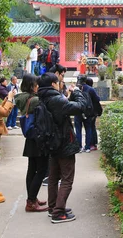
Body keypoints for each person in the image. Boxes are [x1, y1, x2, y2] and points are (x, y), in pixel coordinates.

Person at [37, 72, 88, 223]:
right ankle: (58, 213)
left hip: (52, 142)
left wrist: (69, 96)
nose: (60, 83)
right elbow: (80, 107)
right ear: (53, 84)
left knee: (53, 177)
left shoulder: (42, 98)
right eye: (59, 81)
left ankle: (53, 207)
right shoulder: (56, 99)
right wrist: (78, 93)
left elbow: (64, 108)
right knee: (67, 178)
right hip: (64, 142)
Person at [13, 73, 48, 212]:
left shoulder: (23, 98)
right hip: (38, 138)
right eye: (36, 84)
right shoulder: (35, 100)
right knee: (42, 170)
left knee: (32, 170)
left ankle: (32, 198)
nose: (37, 86)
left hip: (31, 139)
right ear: (32, 85)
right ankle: (31, 201)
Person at [85, 77, 102, 151]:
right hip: (94, 112)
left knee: (91, 128)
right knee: (92, 127)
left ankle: (93, 144)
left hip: (91, 112)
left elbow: (97, 100)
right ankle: (94, 144)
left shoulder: (88, 91)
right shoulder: (91, 90)